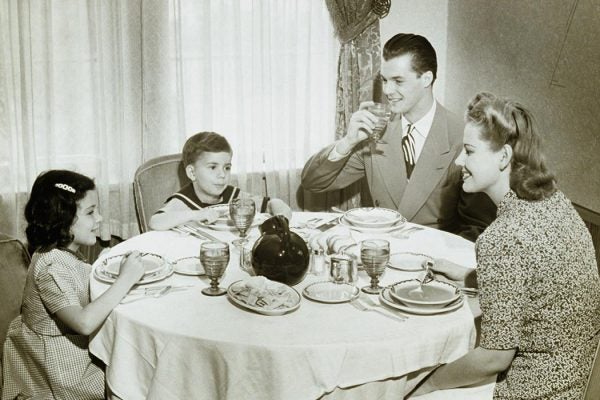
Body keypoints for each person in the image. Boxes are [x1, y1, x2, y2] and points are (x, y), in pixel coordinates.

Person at [408, 92, 600, 399]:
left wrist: (426, 384)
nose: (459, 162)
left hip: (531, 391)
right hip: (576, 379)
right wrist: (471, 276)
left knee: (414, 383)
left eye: (469, 152)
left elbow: (494, 358)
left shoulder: (502, 237)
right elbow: (539, 285)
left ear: (503, 157)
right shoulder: (554, 202)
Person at [301, 33, 496, 240]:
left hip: (433, 259)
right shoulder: (375, 131)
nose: (387, 90)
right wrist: (348, 142)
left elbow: (478, 226)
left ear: (426, 79)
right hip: (378, 253)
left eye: (398, 81)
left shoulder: (462, 136)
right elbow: (313, 182)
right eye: (385, 80)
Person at [2, 170, 146, 399]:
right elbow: (84, 322)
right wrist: (125, 279)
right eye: (91, 212)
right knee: (133, 379)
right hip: (59, 367)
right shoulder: (51, 266)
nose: (99, 218)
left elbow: (76, 283)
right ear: (62, 219)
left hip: (69, 348)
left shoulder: (63, 253)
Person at [149, 131, 292, 231]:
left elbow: (271, 204)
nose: (222, 175)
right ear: (192, 173)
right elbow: (155, 222)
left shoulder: (232, 195)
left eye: (227, 168)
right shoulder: (184, 200)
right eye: (213, 167)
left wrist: (280, 214)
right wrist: (197, 214)